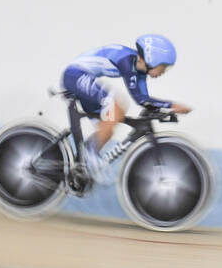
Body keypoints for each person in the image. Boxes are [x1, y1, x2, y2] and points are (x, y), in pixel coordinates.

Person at [61, 33, 191, 177]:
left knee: (108, 126)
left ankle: (83, 164)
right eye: (163, 67)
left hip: (81, 76)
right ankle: (90, 153)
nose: (163, 72)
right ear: (151, 59)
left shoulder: (140, 70)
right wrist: (171, 105)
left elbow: (144, 99)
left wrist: (161, 109)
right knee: (116, 107)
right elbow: (140, 99)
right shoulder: (127, 62)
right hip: (74, 75)